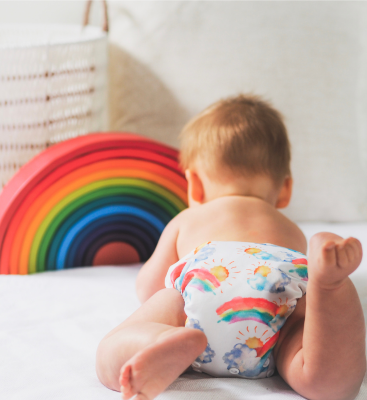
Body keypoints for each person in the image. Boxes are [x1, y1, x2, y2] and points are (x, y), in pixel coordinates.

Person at [96, 95, 366, 400]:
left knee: (159, 307)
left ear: (194, 185)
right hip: (276, 286)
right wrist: (321, 286)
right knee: (310, 349)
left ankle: (164, 338)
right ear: (285, 189)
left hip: (206, 278)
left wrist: (169, 308)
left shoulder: (188, 219)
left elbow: (148, 287)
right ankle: (330, 289)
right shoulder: (288, 227)